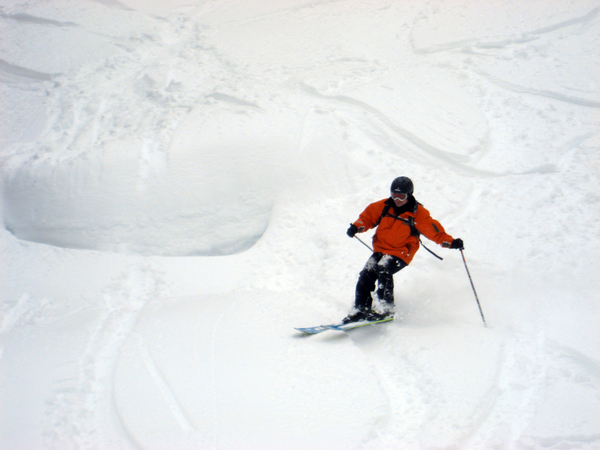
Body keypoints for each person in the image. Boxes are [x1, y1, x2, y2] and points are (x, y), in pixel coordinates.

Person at [343, 176, 464, 323]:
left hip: (401, 252)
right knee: (367, 271)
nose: (397, 200)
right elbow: (367, 218)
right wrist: (356, 227)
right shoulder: (384, 206)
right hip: (381, 249)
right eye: (394, 195)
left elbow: (435, 233)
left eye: (401, 196)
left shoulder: (418, 213)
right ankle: (360, 309)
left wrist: (451, 242)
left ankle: (386, 308)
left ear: (409, 194)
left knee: (383, 268)